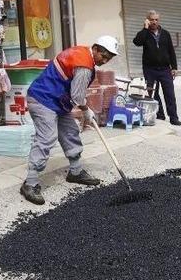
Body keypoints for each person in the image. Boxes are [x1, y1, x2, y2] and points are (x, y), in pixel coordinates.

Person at [20, 36, 120, 205]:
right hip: (42, 99)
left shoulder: (82, 53)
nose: (104, 60)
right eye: (103, 56)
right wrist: (86, 110)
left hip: (57, 101)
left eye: (108, 58)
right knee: (47, 137)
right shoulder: (84, 64)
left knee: (70, 132)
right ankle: (30, 183)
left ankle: (75, 171)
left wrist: (83, 107)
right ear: (95, 48)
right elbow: (77, 96)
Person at [133, 10, 181, 126]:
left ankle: (173, 117)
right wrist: (145, 29)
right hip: (150, 69)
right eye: (151, 20)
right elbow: (137, 42)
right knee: (153, 93)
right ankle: (160, 113)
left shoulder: (165, 33)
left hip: (165, 69)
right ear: (147, 20)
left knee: (169, 94)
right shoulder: (144, 34)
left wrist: (174, 67)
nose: (154, 22)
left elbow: (171, 50)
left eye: (156, 19)